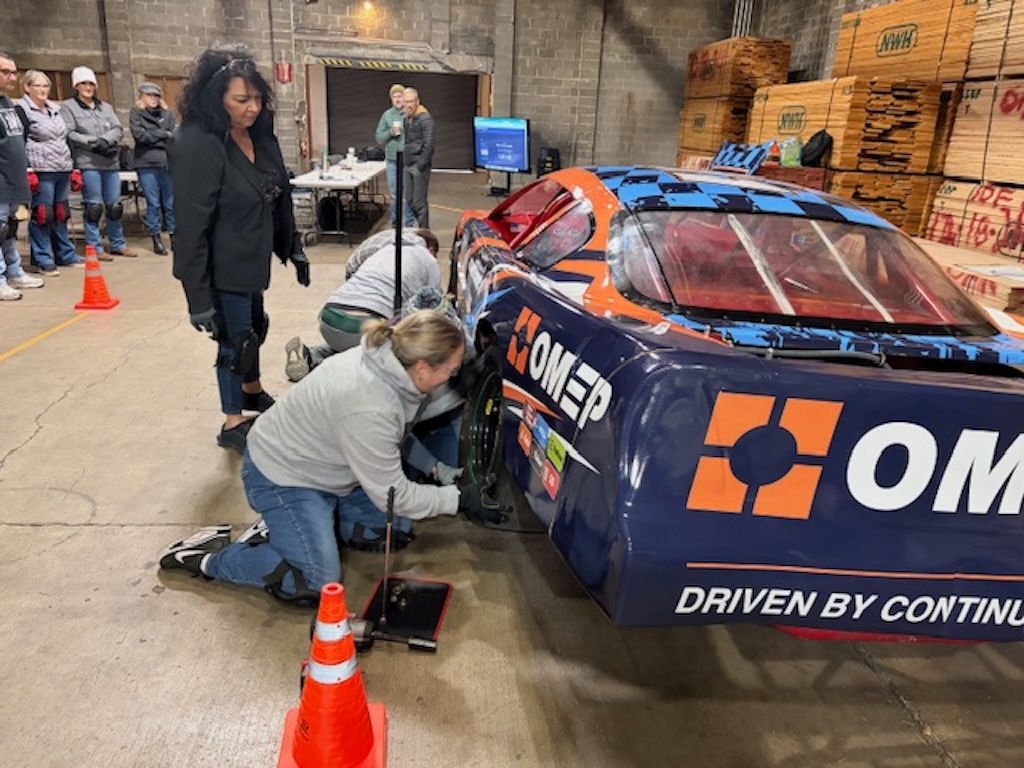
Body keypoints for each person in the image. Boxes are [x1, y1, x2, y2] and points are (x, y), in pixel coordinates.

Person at [158, 310, 505, 603]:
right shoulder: (369, 403)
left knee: (391, 529)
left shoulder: (392, 363)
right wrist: (458, 499)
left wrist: (439, 470)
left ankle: (288, 528)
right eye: (452, 371)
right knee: (317, 582)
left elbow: (395, 437)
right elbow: (393, 494)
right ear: (424, 368)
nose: (453, 378)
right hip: (282, 477)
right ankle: (208, 558)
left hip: (328, 469)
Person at [170, 45, 310, 454]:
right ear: (216, 98)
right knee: (235, 342)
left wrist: (292, 246)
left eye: (257, 98)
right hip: (223, 264)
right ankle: (233, 422)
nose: (252, 108)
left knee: (255, 329)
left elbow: (277, 194)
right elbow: (191, 227)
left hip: (252, 260)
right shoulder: (198, 142)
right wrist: (197, 296)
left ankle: (251, 391)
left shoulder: (257, 132)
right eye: (241, 100)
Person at [284, 227, 440, 381]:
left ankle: (310, 355)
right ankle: (328, 367)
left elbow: (351, 268)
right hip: (362, 328)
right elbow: (433, 308)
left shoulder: (384, 250)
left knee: (352, 343)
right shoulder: (429, 260)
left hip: (328, 317)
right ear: (431, 248)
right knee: (397, 350)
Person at [61, 66, 137, 260]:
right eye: (83, 83)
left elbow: (117, 128)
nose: (88, 87)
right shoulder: (69, 107)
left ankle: (117, 244)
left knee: (114, 206)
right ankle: (94, 247)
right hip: (89, 163)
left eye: (91, 84)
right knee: (94, 207)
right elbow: (69, 132)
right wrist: (93, 142)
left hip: (110, 162)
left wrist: (107, 141)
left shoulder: (106, 107)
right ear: (76, 86)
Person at [16, 70, 83, 275]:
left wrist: (74, 167)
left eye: (46, 86)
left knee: (61, 213)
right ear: (27, 88)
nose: (43, 90)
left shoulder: (55, 109)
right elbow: (19, 141)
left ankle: (65, 254)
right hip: (40, 169)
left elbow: (65, 138)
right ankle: (42, 258)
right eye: (38, 86)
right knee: (43, 215)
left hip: (61, 167)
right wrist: (27, 169)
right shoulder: (22, 110)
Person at [0, 51, 45, 301]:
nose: (12, 77)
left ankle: (14, 271)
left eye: (13, 71)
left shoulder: (8, 104)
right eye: (5, 72)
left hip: (13, 181)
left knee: (9, 230)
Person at [130, 81, 176, 255]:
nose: (153, 98)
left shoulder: (167, 115)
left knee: (171, 204)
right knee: (153, 204)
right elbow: (140, 136)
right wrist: (162, 134)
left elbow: (174, 136)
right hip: (146, 164)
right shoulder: (136, 114)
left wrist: (155, 135)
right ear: (142, 96)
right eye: (150, 95)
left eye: (156, 95)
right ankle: (156, 238)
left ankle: (173, 236)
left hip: (167, 163)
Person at [374, 83, 414, 229]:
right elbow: (379, 137)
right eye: (394, 97)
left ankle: (408, 224)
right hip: (392, 160)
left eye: (400, 96)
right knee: (394, 194)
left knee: (408, 193)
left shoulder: (410, 113)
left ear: (404, 98)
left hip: (408, 160)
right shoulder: (387, 115)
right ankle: (395, 223)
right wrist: (391, 132)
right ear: (391, 99)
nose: (397, 99)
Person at [402, 87, 434, 228]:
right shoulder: (407, 118)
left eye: (411, 101)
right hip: (408, 164)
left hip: (419, 166)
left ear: (417, 101)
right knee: (409, 201)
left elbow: (429, 144)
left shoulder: (425, 119)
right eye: (406, 102)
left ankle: (425, 234)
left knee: (419, 204)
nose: (409, 105)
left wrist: (420, 165)